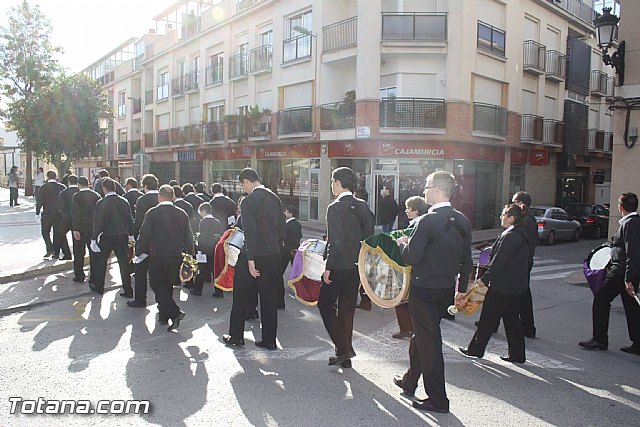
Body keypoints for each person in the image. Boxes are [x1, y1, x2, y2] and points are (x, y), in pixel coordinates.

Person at [393, 171, 472, 414]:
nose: (423, 190)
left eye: (427, 186)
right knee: (423, 336)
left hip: (424, 289)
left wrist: (403, 244)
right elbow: (466, 261)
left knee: (430, 342)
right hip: (446, 289)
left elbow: (412, 257)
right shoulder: (462, 220)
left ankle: (438, 400)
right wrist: (461, 291)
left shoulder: (426, 221)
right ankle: (409, 381)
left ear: (437, 190)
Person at [223, 168, 286, 351]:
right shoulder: (275, 198)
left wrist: (250, 259)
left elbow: (250, 232)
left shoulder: (249, 201)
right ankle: (269, 340)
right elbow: (282, 229)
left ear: (246, 181)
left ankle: (236, 336)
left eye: (242, 184)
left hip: (253, 254)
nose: (243, 188)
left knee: (240, 294)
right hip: (273, 253)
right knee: (268, 297)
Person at [459, 204, 530, 365]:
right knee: (512, 321)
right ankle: (518, 354)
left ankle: (475, 350)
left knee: (487, 319)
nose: (501, 217)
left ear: (512, 218)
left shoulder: (510, 236)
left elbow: (499, 261)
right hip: (516, 286)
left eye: (503, 215)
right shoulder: (520, 234)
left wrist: (485, 279)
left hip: (503, 286)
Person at [319, 167, 375, 368]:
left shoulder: (335, 208)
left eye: (332, 181)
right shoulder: (363, 205)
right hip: (357, 266)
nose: (332, 185)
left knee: (324, 305)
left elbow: (336, 241)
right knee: (347, 309)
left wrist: (328, 267)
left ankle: (344, 349)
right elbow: (369, 236)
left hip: (339, 265)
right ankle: (345, 356)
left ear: (337, 182)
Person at [579, 192, 640, 356]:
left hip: (620, 272)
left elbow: (632, 252)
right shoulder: (633, 222)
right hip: (626, 271)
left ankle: (599, 339)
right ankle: (638, 343)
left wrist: (628, 278)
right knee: (632, 307)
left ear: (620, 207)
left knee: (601, 299)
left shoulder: (630, 223)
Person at [136, 185, 194, 330]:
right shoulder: (182, 213)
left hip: (157, 255)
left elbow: (144, 235)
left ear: (159, 197)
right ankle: (163, 316)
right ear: (173, 196)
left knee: (156, 284)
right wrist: (191, 255)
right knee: (167, 285)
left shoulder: (152, 213)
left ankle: (174, 312)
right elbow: (189, 237)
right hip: (175, 255)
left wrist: (138, 252)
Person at [392, 195, 429, 340]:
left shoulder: (416, 225)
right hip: (423, 272)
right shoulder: (422, 223)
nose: (406, 211)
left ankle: (407, 329)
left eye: (408, 209)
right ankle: (410, 328)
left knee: (402, 300)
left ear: (416, 211)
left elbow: (412, 253)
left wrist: (401, 244)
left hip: (412, 270)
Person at [90, 178, 135, 296]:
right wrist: (131, 235)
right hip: (122, 235)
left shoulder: (102, 202)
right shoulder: (124, 201)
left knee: (101, 262)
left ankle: (99, 287)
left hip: (107, 236)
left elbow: (98, 222)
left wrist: (94, 238)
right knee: (123, 263)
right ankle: (128, 290)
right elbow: (129, 220)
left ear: (104, 189)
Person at [129, 174, 159, 308]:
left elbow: (139, 222)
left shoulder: (142, 200)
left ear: (145, 185)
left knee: (140, 272)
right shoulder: (163, 196)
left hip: (146, 241)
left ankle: (140, 299)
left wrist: (135, 238)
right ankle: (161, 301)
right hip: (161, 242)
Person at [512, 191, 538, 338]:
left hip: (521, 262)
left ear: (521, 203)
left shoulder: (526, 220)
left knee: (521, 294)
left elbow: (525, 243)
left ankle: (528, 327)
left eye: (514, 201)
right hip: (523, 261)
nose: (512, 203)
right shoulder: (526, 218)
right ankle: (528, 327)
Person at [71, 176, 101, 283]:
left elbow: (75, 213)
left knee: (79, 252)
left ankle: (79, 275)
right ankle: (94, 275)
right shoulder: (96, 195)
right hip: (93, 228)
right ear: (88, 184)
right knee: (93, 252)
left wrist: (75, 229)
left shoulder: (77, 196)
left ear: (79, 185)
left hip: (80, 227)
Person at [191, 202, 224, 297]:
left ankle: (197, 290)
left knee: (201, 270)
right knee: (215, 271)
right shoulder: (217, 221)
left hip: (205, 250)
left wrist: (199, 248)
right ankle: (219, 292)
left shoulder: (203, 222)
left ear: (204, 211)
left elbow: (202, 236)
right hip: (214, 250)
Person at [36, 170, 66, 258]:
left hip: (47, 213)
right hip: (59, 214)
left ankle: (50, 248)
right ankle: (56, 252)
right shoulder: (62, 187)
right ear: (55, 176)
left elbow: (39, 201)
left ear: (47, 177)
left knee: (45, 232)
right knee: (57, 232)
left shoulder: (44, 187)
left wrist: (37, 212)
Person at [279, 205, 302, 309]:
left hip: (286, 249)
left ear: (291, 213)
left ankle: (278, 283)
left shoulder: (287, 224)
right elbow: (300, 236)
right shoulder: (297, 224)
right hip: (295, 248)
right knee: (295, 268)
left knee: (281, 268)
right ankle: (296, 284)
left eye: (287, 211)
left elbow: (282, 236)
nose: (285, 213)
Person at [55, 174, 79, 260]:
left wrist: (64, 214)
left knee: (60, 233)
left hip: (67, 218)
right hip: (79, 219)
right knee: (77, 238)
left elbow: (60, 206)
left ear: (69, 182)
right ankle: (78, 255)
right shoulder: (80, 191)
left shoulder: (64, 192)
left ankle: (67, 253)